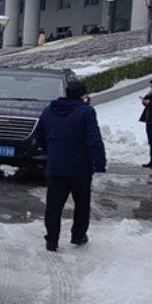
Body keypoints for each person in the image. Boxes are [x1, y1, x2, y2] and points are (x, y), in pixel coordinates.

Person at [37, 82, 106, 252]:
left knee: (53, 206)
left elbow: (39, 135)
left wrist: (51, 151)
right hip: (80, 167)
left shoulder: (48, 110)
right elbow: (93, 138)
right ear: (83, 96)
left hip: (56, 166)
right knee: (81, 204)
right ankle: (78, 236)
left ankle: (52, 240)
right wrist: (99, 162)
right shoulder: (86, 112)